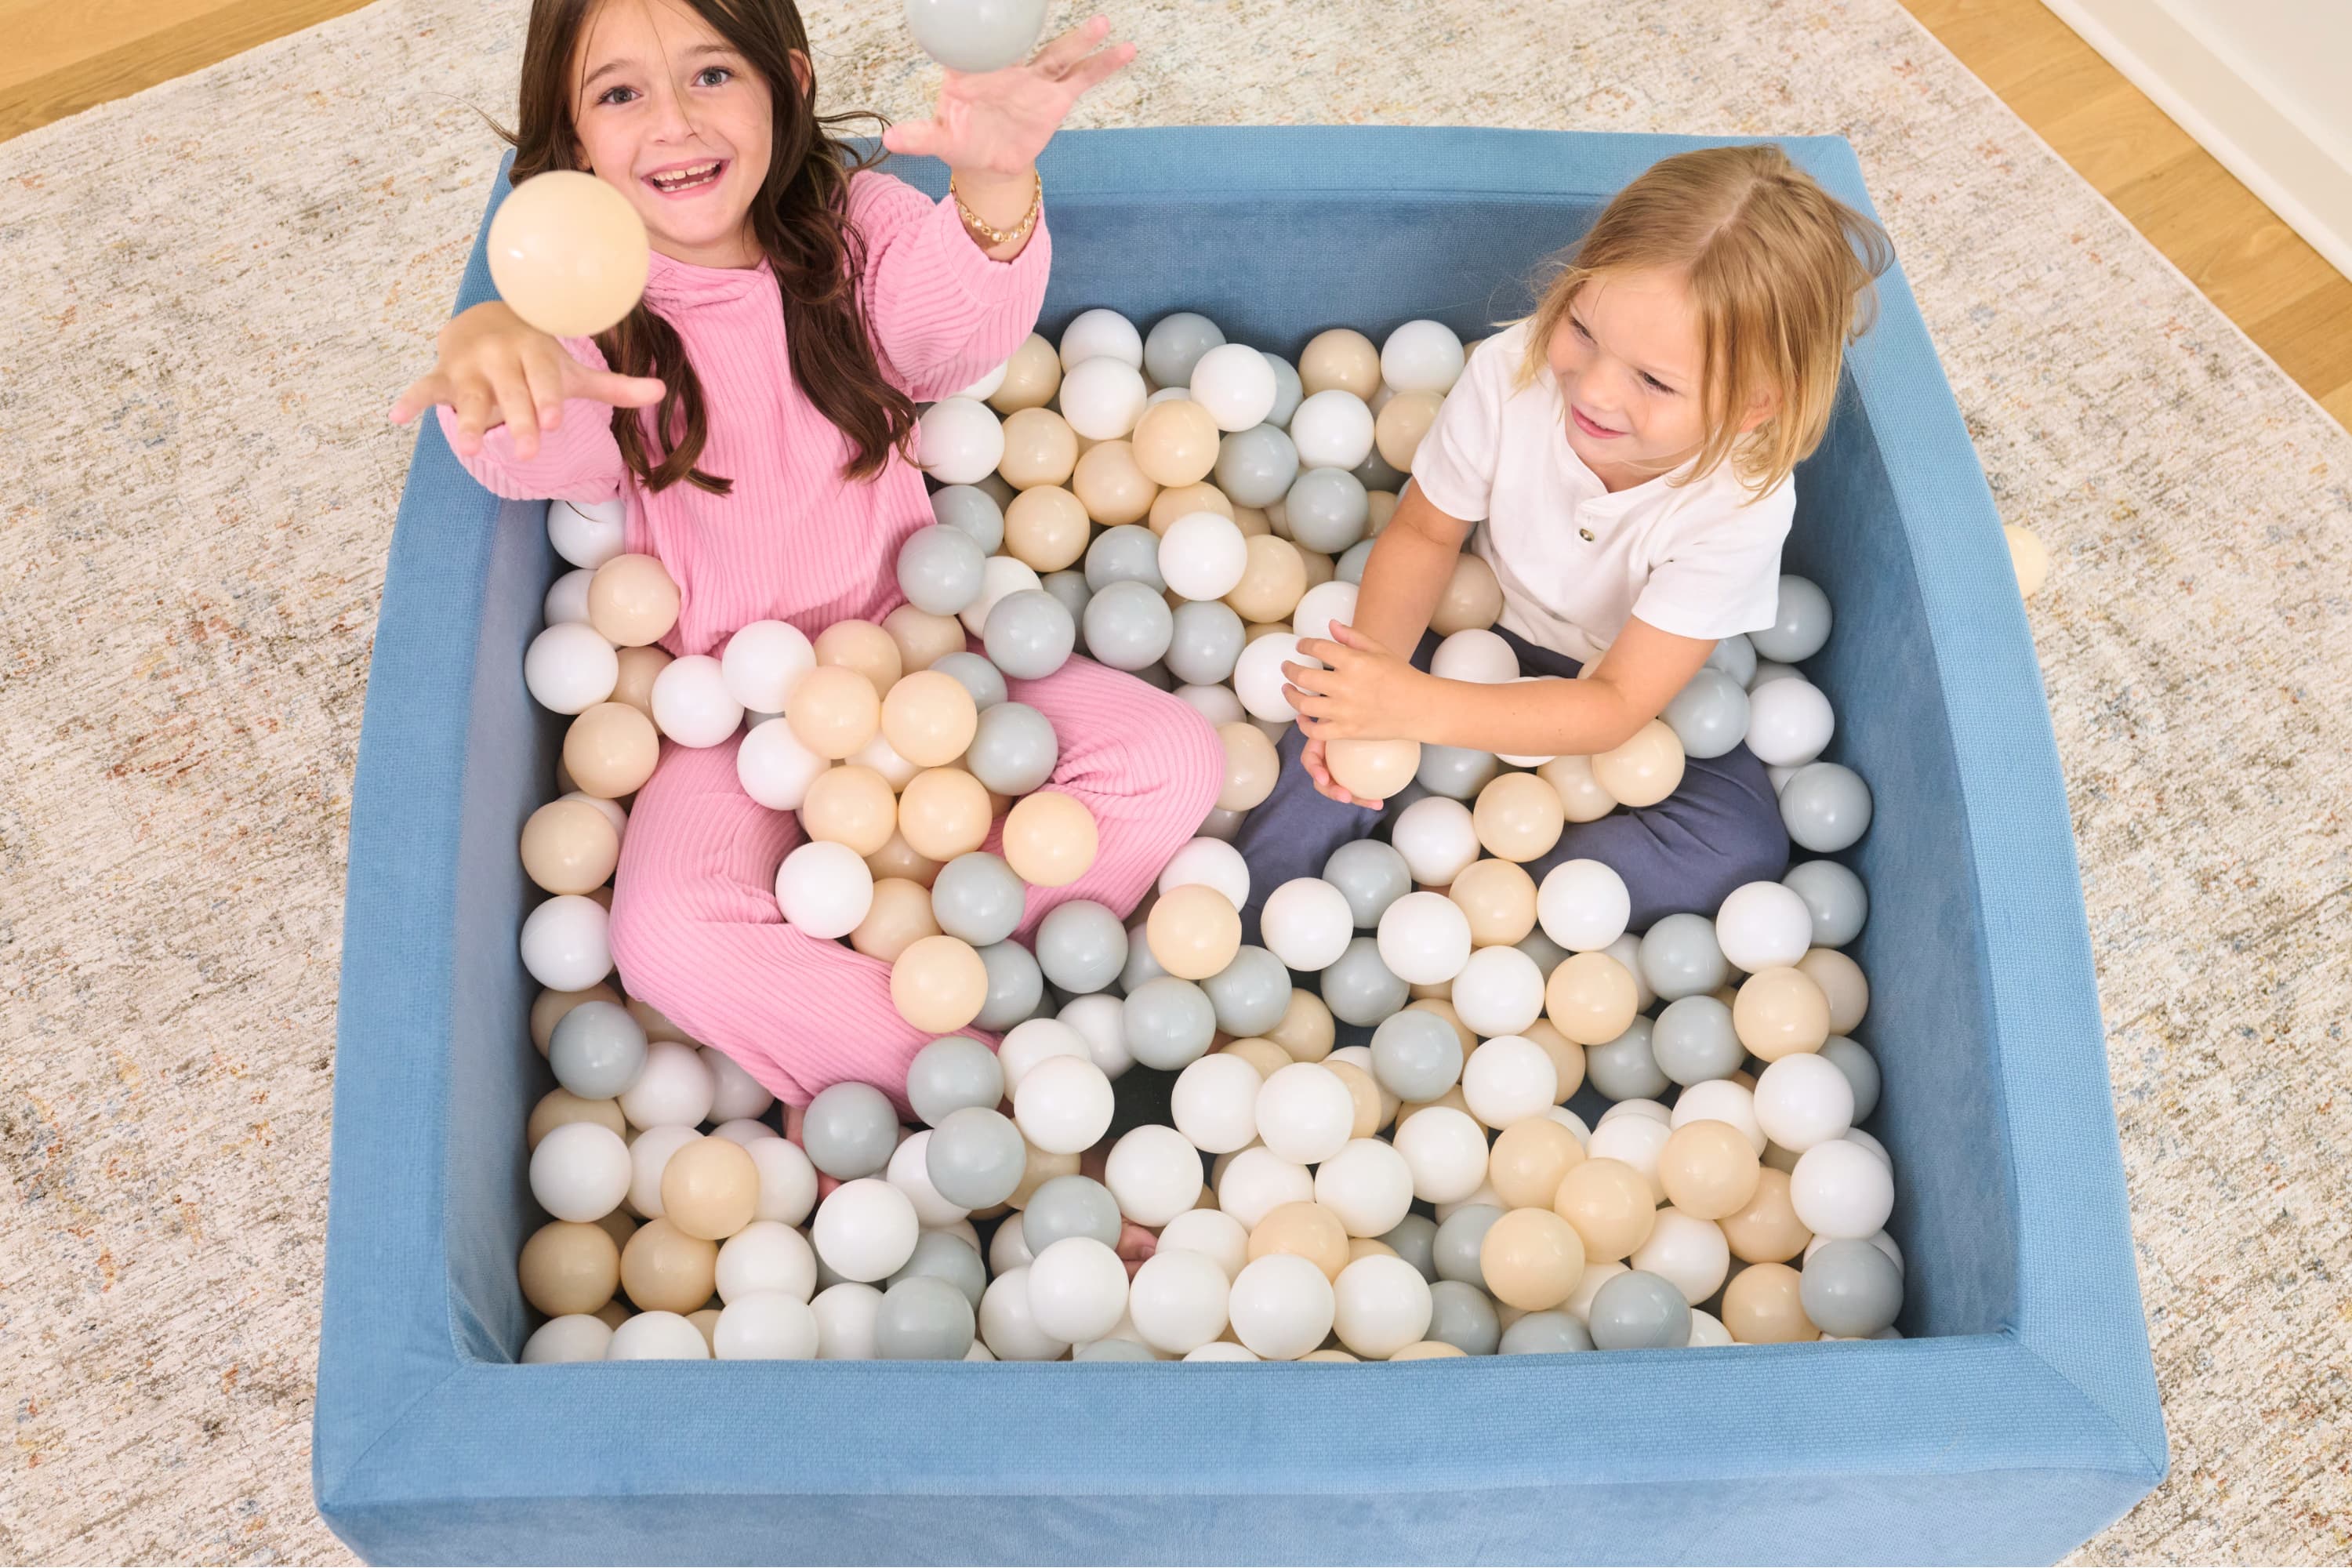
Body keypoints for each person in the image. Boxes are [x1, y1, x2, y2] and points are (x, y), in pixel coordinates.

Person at [392, 0, 1220, 1104]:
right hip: (730, 711)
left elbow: (948, 335)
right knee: (663, 935)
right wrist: (486, 344)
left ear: (787, 82)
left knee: (1176, 757)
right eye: (621, 93)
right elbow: (535, 446)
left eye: (712, 76)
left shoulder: (852, 227)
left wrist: (992, 186)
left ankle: (934, 983)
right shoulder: (593, 313)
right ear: (571, 143)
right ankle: (982, 1098)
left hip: (927, 653)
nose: (676, 123)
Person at [1239, 143, 1889, 937]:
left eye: (1654, 381)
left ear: (1752, 406)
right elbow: (1421, 531)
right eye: (1582, 328)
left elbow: (1615, 705)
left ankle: (1467, 896)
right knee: (1312, 750)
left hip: (1624, 696)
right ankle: (1254, 925)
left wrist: (1422, 711)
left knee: (1739, 843)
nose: (1595, 389)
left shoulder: (1742, 500)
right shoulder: (1512, 371)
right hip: (1466, 628)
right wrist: (1372, 695)